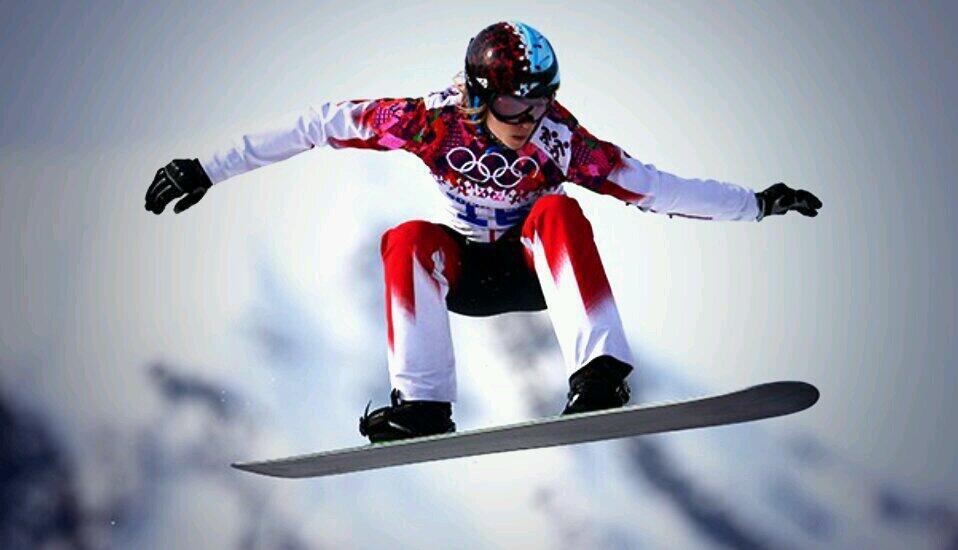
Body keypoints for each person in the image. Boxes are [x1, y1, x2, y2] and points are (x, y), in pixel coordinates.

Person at [145, 21, 821, 443]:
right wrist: (207, 168)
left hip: (534, 270)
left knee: (557, 212)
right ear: (476, 93)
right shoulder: (426, 121)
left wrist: (756, 204)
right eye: (513, 101)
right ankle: (423, 405)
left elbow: (654, 187)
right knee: (407, 236)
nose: (528, 118)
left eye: (540, 100)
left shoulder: (561, 140)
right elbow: (319, 123)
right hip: (466, 275)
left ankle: (600, 377)